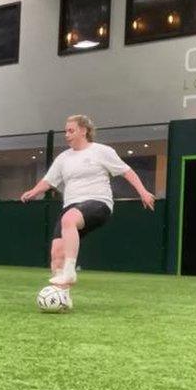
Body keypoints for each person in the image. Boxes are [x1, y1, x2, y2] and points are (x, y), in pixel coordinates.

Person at [20, 114, 155, 292]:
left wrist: (143, 192)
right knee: (57, 252)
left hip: (98, 203)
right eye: (65, 131)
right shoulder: (63, 158)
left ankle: (70, 271)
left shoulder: (102, 151)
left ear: (84, 131)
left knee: (68, 220)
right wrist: (33, 191)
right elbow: (49, 181)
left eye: (71, 130)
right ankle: (61, 298)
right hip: (71, 206)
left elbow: (127, 171)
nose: (67, 134)